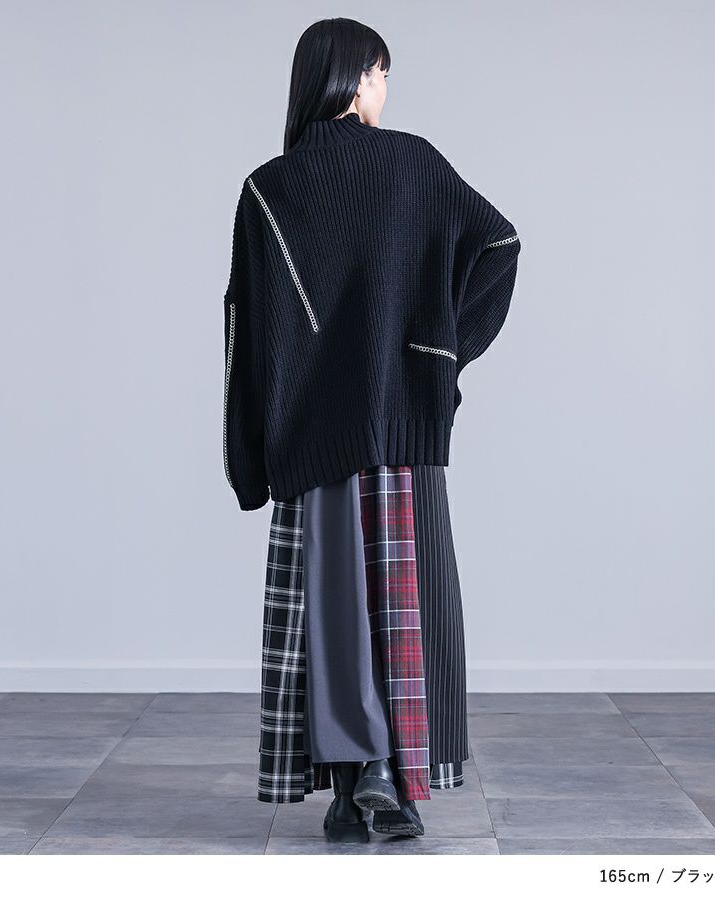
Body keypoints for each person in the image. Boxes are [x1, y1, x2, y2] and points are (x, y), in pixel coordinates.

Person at [222, 17, 521, 844]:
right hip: (399, 425)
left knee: (332, 609)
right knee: (405, 605)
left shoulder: (268, 189)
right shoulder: (412, 164)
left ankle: (353, 785)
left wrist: (250, 460)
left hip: (309, 437)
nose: (386, 89)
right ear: (357, 79)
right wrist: (439, 358)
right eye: (382, 74)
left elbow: (246, 329)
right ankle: (391, 778)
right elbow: (499, 243)